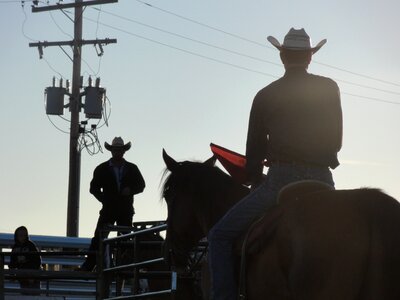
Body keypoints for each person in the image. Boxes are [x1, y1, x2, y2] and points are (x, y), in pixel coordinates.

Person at [207, 28, 343, 299]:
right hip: (323, 179)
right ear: (310, 58)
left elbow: (254, 153)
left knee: (218, 237)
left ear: (282, 57)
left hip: (282, 179)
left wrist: (256, 176)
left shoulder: (266, 94)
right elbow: (336, 142)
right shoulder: (329, 87)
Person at [80, 137, 146, 271]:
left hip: (122, 209)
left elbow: (141, 185)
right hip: (112, 208)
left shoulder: (111, 168)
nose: (117, 152)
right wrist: (104, 199)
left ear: (123, 151)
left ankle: (121, 266)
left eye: (119, 150)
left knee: (121, 238)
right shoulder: (109, 168)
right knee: (101, 237)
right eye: (116, 149)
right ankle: (91, 265)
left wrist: (130, 190)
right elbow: (94, 188)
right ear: (112, 151)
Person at [9, 226, 42, 294]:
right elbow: (12, 262)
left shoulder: (31, 246)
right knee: (24, 294)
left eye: (24, 235)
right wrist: (12, 274)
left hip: (32, 276)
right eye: (20, 235)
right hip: (23, 276)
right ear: (17, 236)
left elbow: (37, 261)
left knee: (34, 295)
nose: (22, 237)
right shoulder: (15, 248)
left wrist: (33, 276)